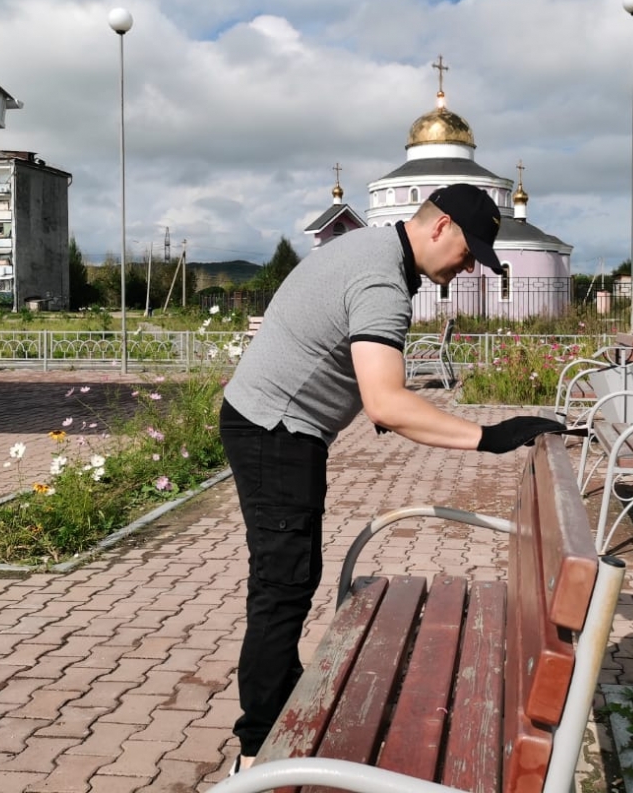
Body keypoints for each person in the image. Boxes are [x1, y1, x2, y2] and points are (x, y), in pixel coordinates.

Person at [218, 183, 567, 772]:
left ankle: (278, 707)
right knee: (281, 586)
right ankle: (255, 756)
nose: (464, 269)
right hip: (275, 430)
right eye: (467, 252)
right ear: (441, 227)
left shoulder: (375, 253)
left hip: (271, 424)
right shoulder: (383, 279)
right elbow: (387, 402)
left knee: (292, 577)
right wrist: (490, 437)